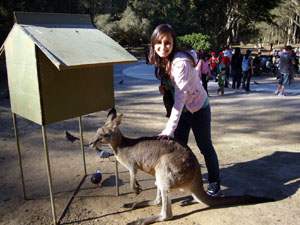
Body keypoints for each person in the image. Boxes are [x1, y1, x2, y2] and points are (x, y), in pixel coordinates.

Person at [149, 24, 221, 196]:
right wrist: (165, 88)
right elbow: (175, 88)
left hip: (198, 109)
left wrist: (169, 128)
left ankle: (214, 181)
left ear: (174, 43)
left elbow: (181, 98)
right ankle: (183, 177)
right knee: (180, 147)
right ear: (153, 43)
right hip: (183, 111)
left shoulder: (181, 63)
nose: (163, 47)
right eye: (159, 42)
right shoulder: (160, 59)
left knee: (205, 146)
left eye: (168, 43)